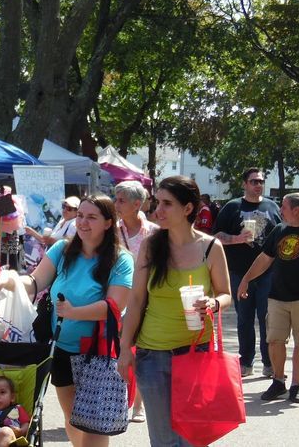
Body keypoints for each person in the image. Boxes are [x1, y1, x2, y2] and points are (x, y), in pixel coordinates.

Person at [0, 194, 133, 447]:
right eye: (81, 216)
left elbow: (114, 306)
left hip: (98, 352)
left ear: (108, 223)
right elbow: (35, 281)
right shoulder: (63, 249)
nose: (83, 223)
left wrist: (73, 312)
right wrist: (8, 281)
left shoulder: (121, 259)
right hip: (60, 348)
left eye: (91, 217)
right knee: (73, 418)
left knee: (94, 423)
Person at [117, 176, 231, 447]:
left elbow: (226, 294)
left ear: (188, 208)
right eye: (157, 202)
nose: (158, 210)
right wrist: (124, 349)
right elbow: (136, 300)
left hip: (195, 353)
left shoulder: (210, 247)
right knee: (164, 441)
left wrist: (214, 304)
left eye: (167, 204)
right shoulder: (151, 245)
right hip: (151, 355)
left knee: (192, 439)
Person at [237, 193, 299, 404]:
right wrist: (245, 279)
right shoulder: (280, 230)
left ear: (297, 210)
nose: (280, 210)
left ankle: (295, 386)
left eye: (284, 207)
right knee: (274, 341)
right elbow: (265, 259)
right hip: (276, 297)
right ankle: (278, 382)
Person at [212, 168, 282, 378]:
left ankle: (269, 363)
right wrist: (236, 239)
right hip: (239, 273)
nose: (258, 185)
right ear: (244, 183)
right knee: (244, 318)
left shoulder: (271, 206)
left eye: (260, 181)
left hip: (267, 272)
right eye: (253, 181)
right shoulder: (232, 207)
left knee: (266, 317)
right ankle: (246, 361)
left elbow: (281, 233)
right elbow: (216, 235)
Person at [113, 180, 158, 423]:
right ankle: (119, 402)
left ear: (137, 204)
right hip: (118, 298)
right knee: (118, 350)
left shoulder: (153, 232)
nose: (116, 204)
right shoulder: (111, 230)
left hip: (144, 300)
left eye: (121, 200)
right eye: (116, 199)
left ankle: (138, 405)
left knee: (139, 350)